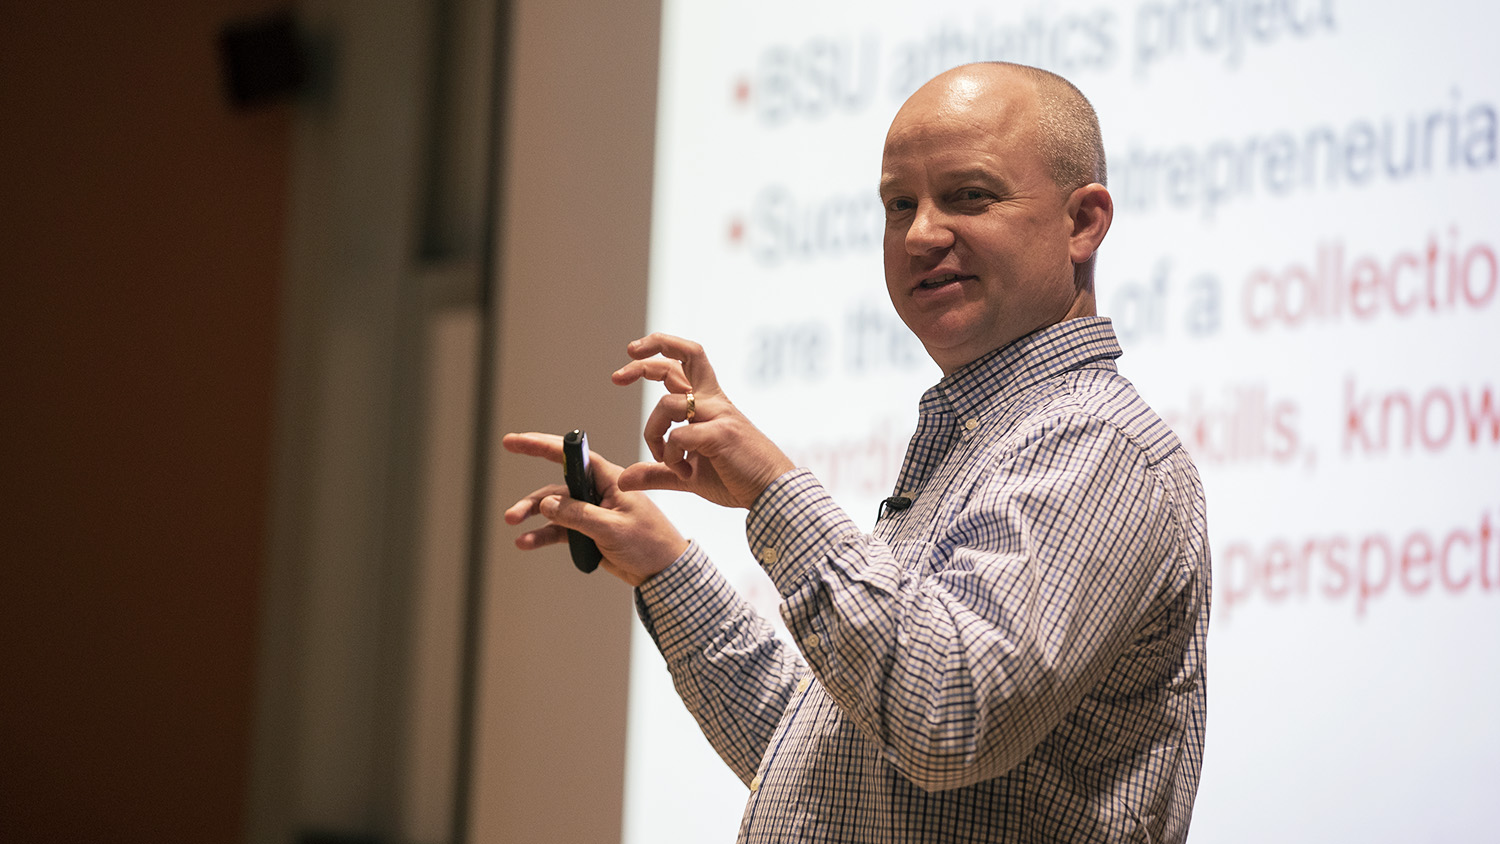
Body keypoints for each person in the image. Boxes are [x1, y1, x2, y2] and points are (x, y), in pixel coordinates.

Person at [504, 61, 1210, 843]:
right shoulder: (983, 442)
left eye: (969, 196)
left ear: (1083, 222)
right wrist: (663, 566)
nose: (920, 235)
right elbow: (835, 768)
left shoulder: (1094, 441)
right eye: (898, 204)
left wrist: (775, 487)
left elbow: (945, 715)